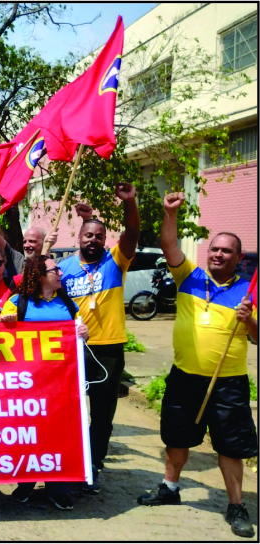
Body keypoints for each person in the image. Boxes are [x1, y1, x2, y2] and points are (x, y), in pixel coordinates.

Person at [135, 192, 257, 538]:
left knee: (230, 446)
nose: (218, 254)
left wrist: (249, 322)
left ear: (238, 257)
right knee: (176, 438)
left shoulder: (249, 293)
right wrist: (169, 213)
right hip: (184, 378)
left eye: (226, 251)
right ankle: (169, 489)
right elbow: (169, 242)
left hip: (228, 384)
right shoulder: (189, 276)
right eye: (214, 249)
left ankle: (236, 505)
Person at [59, 182, 140, 493]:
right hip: (72, 350)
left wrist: (129, 203)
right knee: (70, 410)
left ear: (105, 240)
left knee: (103, 413)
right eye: (88, 235)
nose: (93, 240)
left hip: (108, 349)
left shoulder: (115, 261)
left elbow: (132, 233)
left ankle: (93, 462)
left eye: (99, 236)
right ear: (79, 238)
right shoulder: (65, 268)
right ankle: (72, 459)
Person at [0, 255, 89, 510]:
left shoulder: (68, 304)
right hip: (28, 385)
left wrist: (83, 333)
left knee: (59, 435)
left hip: (61, 386)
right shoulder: (19, 302)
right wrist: (6, 323)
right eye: (55, 269)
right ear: (40, 275)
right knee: (29, 435)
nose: (60, 272)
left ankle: (57, 488)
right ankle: (26, 484)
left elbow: (81, 336)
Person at [0, 204, 58, 277]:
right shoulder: (16, 260)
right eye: (24, 241)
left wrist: (46, 248)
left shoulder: (57, 264)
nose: (26, 245)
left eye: (32, 241)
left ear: (44, 242)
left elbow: (42, 274)